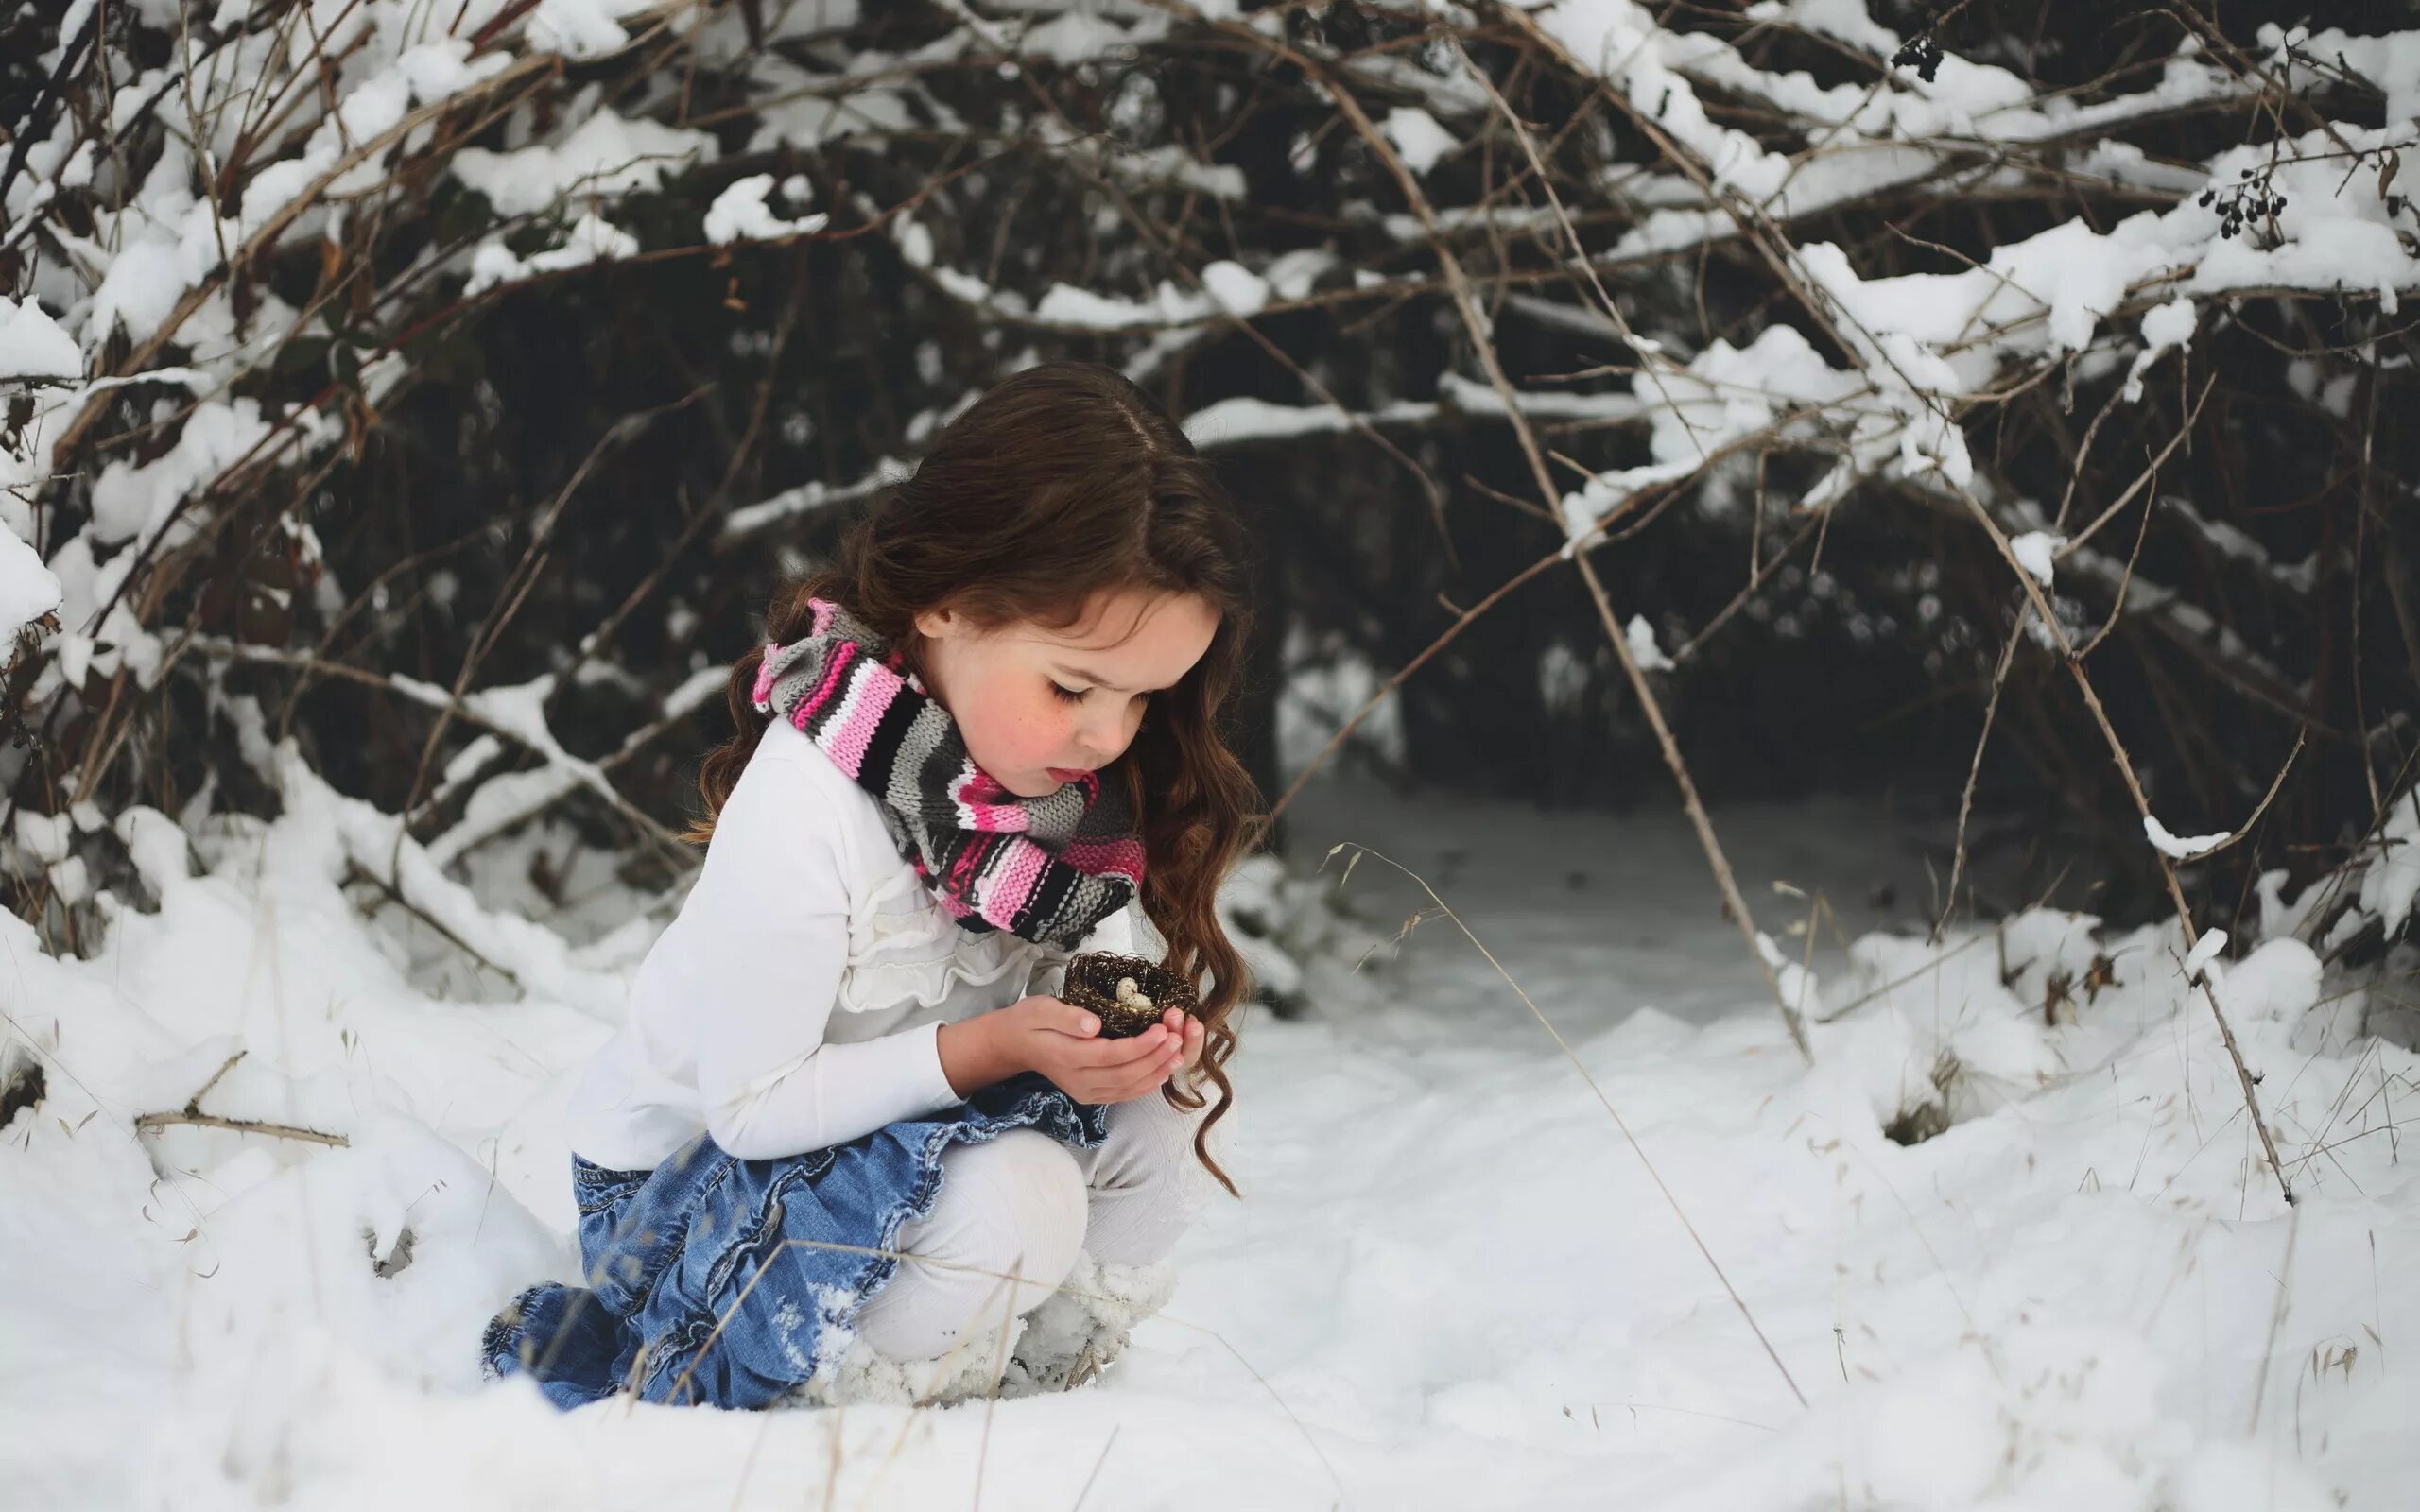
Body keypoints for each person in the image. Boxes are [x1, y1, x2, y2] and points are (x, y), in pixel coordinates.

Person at [478, 360, 1261, 1411]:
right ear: (944, 603)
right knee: (1019, 1198)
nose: (1107, 735)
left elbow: (1096, 969)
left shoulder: (1052, 792)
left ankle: (1042, 1364)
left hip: (897, 1137)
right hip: (687, 1201)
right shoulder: (808, 803)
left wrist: (1126, 1037)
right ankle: (853, 1380)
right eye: (1072, 685)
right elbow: (751, 1108)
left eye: (1142, 699)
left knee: (1167, 1106)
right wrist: (995, 1045)